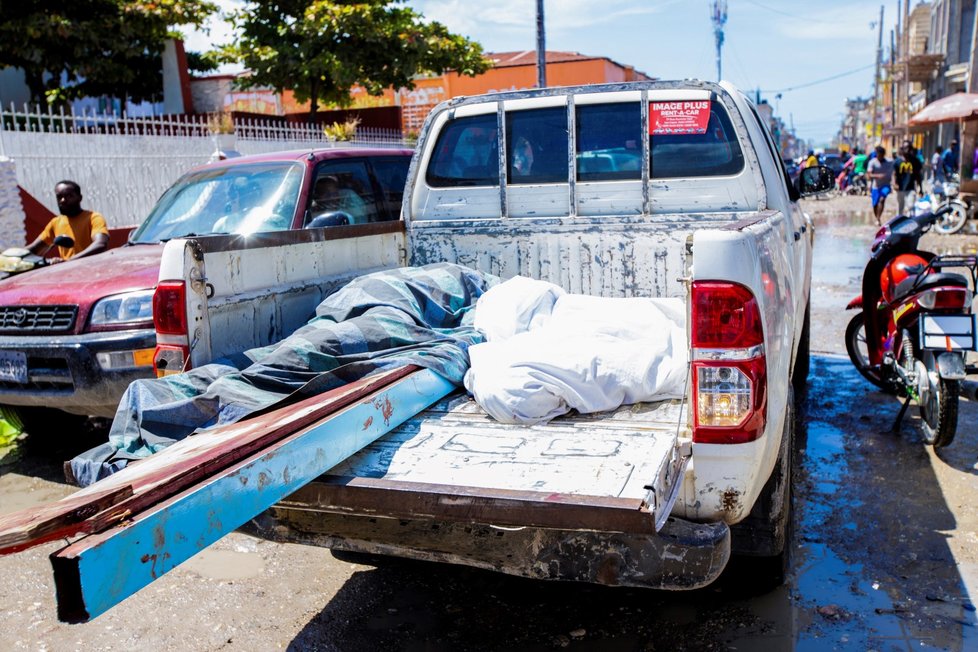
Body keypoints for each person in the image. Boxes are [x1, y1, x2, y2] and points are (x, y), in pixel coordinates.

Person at [27, 180, 108, 263]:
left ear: (80, 198)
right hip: (68, 272)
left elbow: (100, 244)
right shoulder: (55, 223)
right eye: (59, 197)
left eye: (69, 196)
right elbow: (34, 249)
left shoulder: (93, 218)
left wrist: (69, 261)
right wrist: (16, 255)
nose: (63, 200)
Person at [867, 145, 895, 225]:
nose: (879, 156)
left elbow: (894, 172)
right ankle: (877, 217)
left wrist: (894, 182)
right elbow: (869, 175)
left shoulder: (890, 162)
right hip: (876, 186)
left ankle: (878, 218)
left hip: (886, 185)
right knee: (875, 204)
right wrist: (878, 176)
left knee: (882, 200)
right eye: (878, 154)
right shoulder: (872, 162)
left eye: (881, 154)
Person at [894, 140, 923, 216]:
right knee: (900, 207)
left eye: (909, 148)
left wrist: (921, 188)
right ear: (902, 149)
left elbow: (918, 175)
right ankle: (899, 225)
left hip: (911, 188)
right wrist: (895, 184)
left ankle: (910, 223)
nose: (907, 150)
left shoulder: (915, 161)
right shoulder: (897, 161)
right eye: (905, 148)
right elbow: (894, 174)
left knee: (910, 206)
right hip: (900, 188)